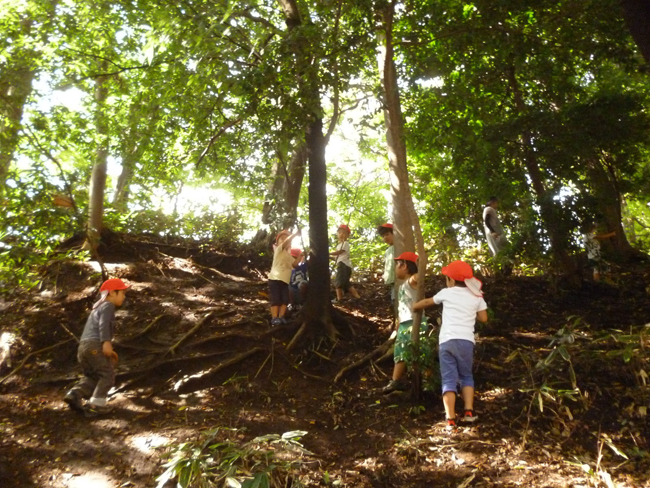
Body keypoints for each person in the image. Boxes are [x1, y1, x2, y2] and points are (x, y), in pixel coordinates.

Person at [413, 260, 488, 432]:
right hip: (466, 342)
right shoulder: (476, 295)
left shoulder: (447, 292)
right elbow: (484, 318)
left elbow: (427, 303)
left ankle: (451, 419)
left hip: (446, 341)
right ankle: (469, 412)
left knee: (449, 380)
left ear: (451, 281)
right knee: (466, 376)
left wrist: (414, 306)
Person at [63, 278, 130, 418]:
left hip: (83, 348)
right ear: (112, 293)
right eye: (122, 293)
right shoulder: (107, 306)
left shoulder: (98, 307)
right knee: (108, 375)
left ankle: (75, 394)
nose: (124, 296)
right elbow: (104, 324)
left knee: (94, 376)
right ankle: (95, 406)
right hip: (94, 345)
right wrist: (106, 342)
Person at [381, 252, 429, 394]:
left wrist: (420, 265)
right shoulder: (403, 285)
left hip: (416, 323)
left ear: (405, 266)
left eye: (398, 265)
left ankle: (427, 382)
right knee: (400, 351)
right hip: (405, 324)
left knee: (422, 351)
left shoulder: (412, 280)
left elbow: (419, 277)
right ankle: (395, 381)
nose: (396, 269)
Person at [269, 229, 300, 326]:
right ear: (277, 243)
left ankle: (281, 317)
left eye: (285, 238)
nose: (284, 240)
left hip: (285, 281)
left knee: (285, 300)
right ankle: (274, 318)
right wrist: (294, 234)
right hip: (275, 279)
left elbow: (294, 265)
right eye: (281, 239)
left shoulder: (289, 256)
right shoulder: (278, 250)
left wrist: (300, 256)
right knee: (276, 299)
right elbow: (286, 242)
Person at [330, 224, 360, 301]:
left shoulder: (345, 244)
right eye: (339, 232)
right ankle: (357, 297)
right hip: (342, 264)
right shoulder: (339, 245)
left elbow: (339, 252)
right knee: (347, 284)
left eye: (344, 233)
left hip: (343, 266)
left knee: (338, 282)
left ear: (347, 235)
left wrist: (328, 253)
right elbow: (337, 258)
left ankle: (339, 299)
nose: (341, 234)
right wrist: (329, 256)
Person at [377, 223, 395, 302]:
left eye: (387, 234)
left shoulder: (398, 247)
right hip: (392, 280)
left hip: (398, 278)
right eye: (383, 236)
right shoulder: (388, 250)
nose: (385, 237)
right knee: (393, 298)